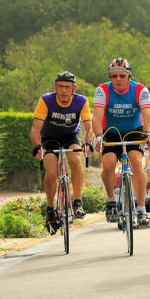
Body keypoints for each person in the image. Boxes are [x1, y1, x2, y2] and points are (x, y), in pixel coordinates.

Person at [93, 58, 150, 228]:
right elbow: (97, 117)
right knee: (108, 164)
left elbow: (148, 116)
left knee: (136, 162)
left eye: (122, 75)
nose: (118, 79)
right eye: (114, 76)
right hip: (110, 132)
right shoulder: (102, 90)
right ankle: (111, 200)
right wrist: (98, 135)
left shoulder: (140, 90)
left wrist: (149, 132)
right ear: (110, 77)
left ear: (129, 76)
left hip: (133, 131)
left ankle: (141, 209)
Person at [31, 71, 95, 234]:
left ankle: (78, 202)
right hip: (49, 137)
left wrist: (88, 142)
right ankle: (50, 208)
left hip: (70, 136)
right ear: (55, 87)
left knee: (75, 159)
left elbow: (89, 127)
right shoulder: (46, 100)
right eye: (60, 87)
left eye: (67, 87)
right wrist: (38, 146)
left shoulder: (81, 101)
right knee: (51, 173)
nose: (64, 91)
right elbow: (36, 128)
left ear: (74, 89)